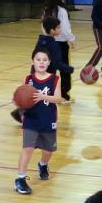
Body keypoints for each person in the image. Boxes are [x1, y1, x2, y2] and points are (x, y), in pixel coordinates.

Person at [14, 48, 62, 195]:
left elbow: (58, 99)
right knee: (27, 148)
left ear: (49, 63)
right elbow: (20, 98)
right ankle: (20, 179)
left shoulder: (55, 79)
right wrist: (19, 105)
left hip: (48, 119)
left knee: (48, 151)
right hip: (31, 119)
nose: (41, 62)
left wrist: (43, 97)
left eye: (44, 60)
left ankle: (43, 164)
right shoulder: (28, 79)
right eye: (38, 59)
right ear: (32, 62)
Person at [11, 17, 74, 122]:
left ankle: (20, 112)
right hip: (45, 76)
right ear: (52, 30)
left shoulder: (41, 40)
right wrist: (69, 69)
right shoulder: (54, 44)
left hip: (35, 73)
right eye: (58, 28)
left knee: (33, 96)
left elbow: (35, 56)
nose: (60, 30)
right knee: (40, 97)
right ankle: (25, 114)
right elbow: (57, 62)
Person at [43, 0, 76, 102]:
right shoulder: (61, 11)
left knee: (50, 70)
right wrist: (72, 39)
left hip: (48, 44)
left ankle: (47, 94)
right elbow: (65, 29)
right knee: (64, 70)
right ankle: (64, 96)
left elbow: (44, 28)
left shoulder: (46, 10)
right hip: (61, 45)